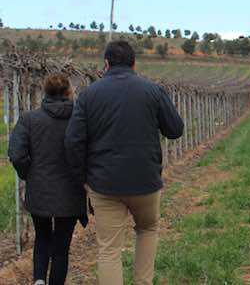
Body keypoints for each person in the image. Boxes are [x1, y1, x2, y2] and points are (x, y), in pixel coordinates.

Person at [65, 40, 183, 285]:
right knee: (147, 230)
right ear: (134, 63)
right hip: (145, 181)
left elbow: (73, 141)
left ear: (105, 64)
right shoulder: (153, 90)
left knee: (108, 249)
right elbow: (175, 130)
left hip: (104, 183)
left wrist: (82, 180)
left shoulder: (88, 95)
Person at [8, 73, 88, 285]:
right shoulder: (80, 120)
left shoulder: (29, 119)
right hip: (71, 193)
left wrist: (30, 174)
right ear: (69, 92)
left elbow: (16, 154)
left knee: (42, 238)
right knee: (61, 247)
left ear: (45, 91)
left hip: (40, 190)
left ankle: (39, 280)